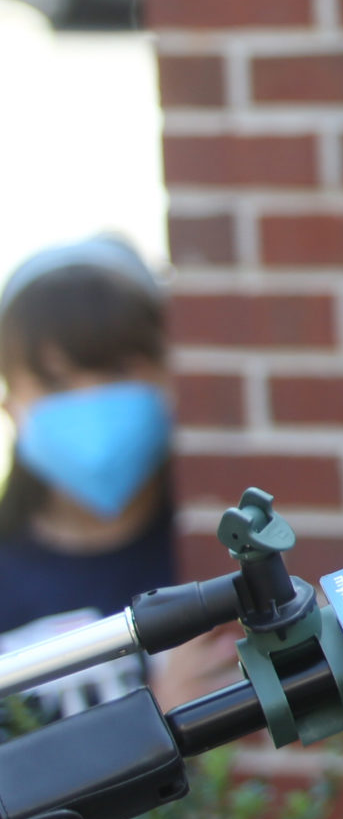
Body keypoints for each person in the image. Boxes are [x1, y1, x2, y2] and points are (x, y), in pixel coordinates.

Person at [0, 235, 192, 717]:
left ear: (170, 376)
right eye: (55, 383)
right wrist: (157, 726)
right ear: (11, 406)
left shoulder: (215, 546)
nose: (89, 400)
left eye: (117, 370)